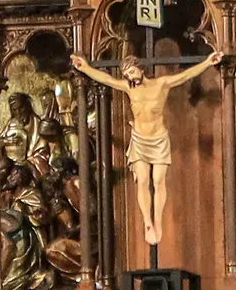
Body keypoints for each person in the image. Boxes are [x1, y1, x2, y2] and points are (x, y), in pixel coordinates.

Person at [70, 50, 223, 245]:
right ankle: (147, 222)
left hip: (158, 139)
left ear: (140, 68)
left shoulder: (161, 84)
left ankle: (158, 220)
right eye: (126, 75)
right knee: (142, 180)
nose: (129, 77)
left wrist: (208, 62)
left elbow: (185, 75)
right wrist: (86, 68)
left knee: (158, 181)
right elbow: (107, 79)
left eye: (132, 72)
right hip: (140, 139)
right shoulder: (129, 88)